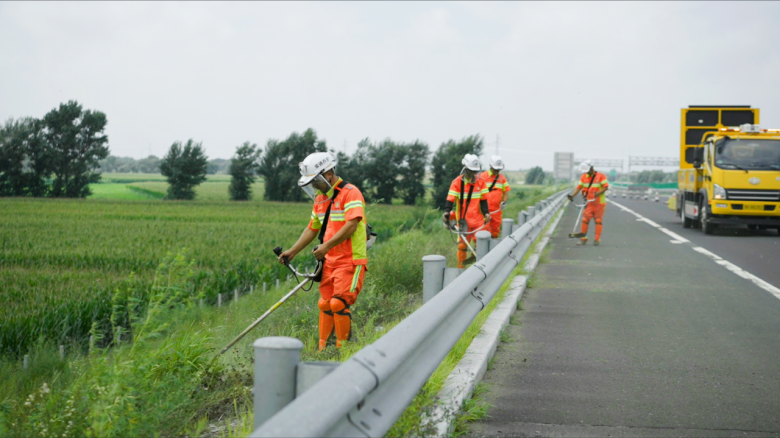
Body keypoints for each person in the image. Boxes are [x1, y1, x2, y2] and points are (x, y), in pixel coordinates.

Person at [278, 152, 368, 350]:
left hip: (350, 260)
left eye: (315, 180)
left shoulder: (350, 193)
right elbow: (312, 228)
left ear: (328, 174)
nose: (313, 186)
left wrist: (326, 246)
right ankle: (323, 350)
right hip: (329, 262)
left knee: (338, 303)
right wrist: (292, 252)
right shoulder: (320, 199)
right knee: (325, 304)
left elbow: (352, 224)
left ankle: (342, 350)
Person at [442, 154, 491, 268]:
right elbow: (450, 200)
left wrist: (486, 213)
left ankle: (480, 268)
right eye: (470, 171)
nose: (473, 174)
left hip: (479, 221)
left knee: (481, 246)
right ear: (465, 168)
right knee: (462, 247)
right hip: (464, 222)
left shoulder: (481, 182)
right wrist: (446, 212)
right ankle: (461, 269)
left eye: (474, 171)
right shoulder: (456, 183)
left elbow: (483, 201)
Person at [568, 160, 609, 246]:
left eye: (588, 170)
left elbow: (605, 187)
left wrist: (597, 193)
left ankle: (597, 239)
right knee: (585, 219)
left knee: (598, 220)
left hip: (599, 203)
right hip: (589, 203)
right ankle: (583, 238)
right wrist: (572, 196)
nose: (587, 172)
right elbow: (579, 188)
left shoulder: (601, 176)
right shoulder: (583, 177)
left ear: (592, 167)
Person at [479, 155, 511, 238]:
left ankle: (493, 249)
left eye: (498, 169)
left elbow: (506, 191)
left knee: (495, 231)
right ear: (491, 166)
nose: (497, 171)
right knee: (483, 231)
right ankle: (480, 249)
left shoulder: (502, 178)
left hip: (496, 211)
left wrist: (504, 201)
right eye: (495, 169)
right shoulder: (482, 177)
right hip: (483, 211)